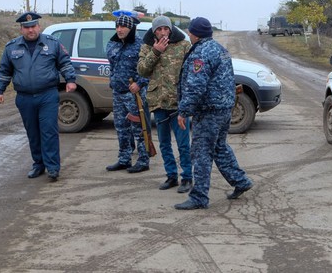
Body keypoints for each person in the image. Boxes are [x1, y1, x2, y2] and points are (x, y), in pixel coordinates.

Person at [174, 17, 253, 210]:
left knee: (201, 152)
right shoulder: (219, 49)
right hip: (224, 109)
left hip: (209, 111)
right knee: (219, 148)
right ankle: (240, 181)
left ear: (196, 33)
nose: (189, 34)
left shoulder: (200, 53)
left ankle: (199, 197)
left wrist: (183, 111)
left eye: (190, 31)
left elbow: (196, 86)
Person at [0, 12, 77, 180]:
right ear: (21, 29)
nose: (30, 30)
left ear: (39, 26)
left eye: (33, 26)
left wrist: (70, 80)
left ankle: (53, 167)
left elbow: (64, 62)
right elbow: (4, 70)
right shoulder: (12, 47)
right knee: (33, 133)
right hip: (24, 98)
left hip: (47, 95)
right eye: (26, 27)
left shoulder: (52, 43)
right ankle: (38, 164)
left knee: (49, 131)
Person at [137, 16, 193, 193]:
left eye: (165, 29)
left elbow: (192, 71)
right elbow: (142, 71)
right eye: (159, 29)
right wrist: (155, 52)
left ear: (170, 29)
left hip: (178, 103)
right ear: (154, 31)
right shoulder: (147, 47)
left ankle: (187, 177)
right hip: (158, 102)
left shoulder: (183, 45)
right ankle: (171, 176)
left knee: (183, 143)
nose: (162, 32)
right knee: (164, 143)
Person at [105, 14, 151, 173]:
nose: (119, 29)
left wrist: (139, 83)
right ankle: (124, 159)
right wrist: (113, 81)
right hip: (118, 93)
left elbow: (149, 69)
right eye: (117, 26)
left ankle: (143, 160)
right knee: (121, 128)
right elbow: (112, 66)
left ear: (131, 28)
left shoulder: (141, 45)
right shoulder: (113, 44)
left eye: (123, 26)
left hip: (134, 96)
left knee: (139, 128)